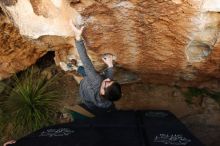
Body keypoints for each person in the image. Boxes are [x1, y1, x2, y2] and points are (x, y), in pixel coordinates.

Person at [69, 24, 122, 115]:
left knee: (84, 71)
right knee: (93, 105)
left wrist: (78, 38)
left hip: (85, 87)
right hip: (89, 98)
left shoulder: (96, 80)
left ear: (102, 91)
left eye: (107, 83)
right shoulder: (107, 99)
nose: (108, 79)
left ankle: (76, 68)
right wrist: (110, 66)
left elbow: (85, 60)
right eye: (112, 81)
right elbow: (108, 79)